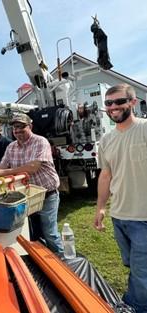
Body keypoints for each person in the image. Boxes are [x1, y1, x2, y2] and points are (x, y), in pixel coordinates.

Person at [94, 84, 147, 312]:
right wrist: (101, 208)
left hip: (143, 218)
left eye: (119, 101)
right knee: (132, 265)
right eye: (108, 103)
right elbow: (106, 175)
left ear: (132, 103)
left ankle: (134, 305)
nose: (113, 107)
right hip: (119, 216)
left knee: (142, 270)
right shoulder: (106, 140)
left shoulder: (145, 129)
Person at [0, 113, 63, 254]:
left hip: (47, 194)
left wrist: (3, 173)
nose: (18, 131)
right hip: (25, 195)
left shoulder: (40, 142)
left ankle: (61, 261)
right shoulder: (11, 147)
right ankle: (40, 260)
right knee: (31, 232)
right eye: (15, 128)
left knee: (50, 232)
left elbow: (33, 167)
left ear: (30, 126)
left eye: (22, 127)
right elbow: (2, 165)